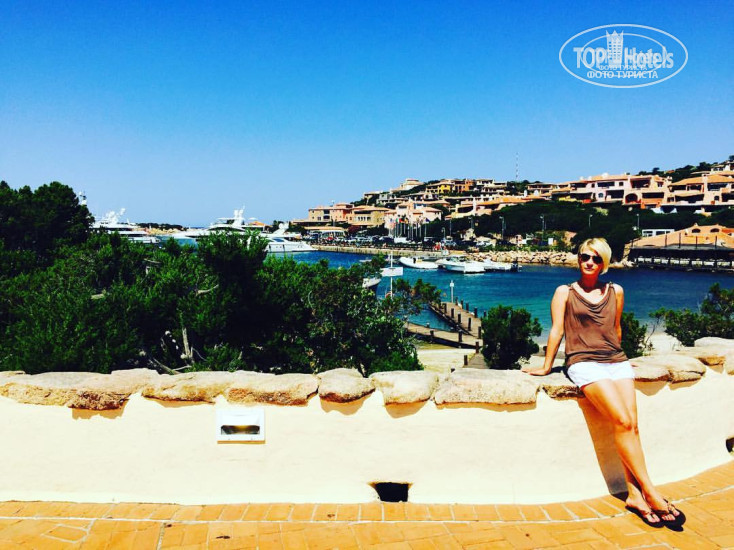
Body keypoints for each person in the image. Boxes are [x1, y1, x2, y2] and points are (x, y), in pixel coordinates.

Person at [522, 237, 684, 528]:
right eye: (585, 256)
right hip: (583, 363)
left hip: (616, 361)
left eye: (596, 258)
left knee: (631, 425)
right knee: (622, 421)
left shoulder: (616, 290)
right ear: (578, 258)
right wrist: (546, 366)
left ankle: (634, 495)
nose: (589, 262)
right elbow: (557, 330)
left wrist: (622, 357)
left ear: (604, 263)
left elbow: (615, 328)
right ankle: (651, 491)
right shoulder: (564, 292)